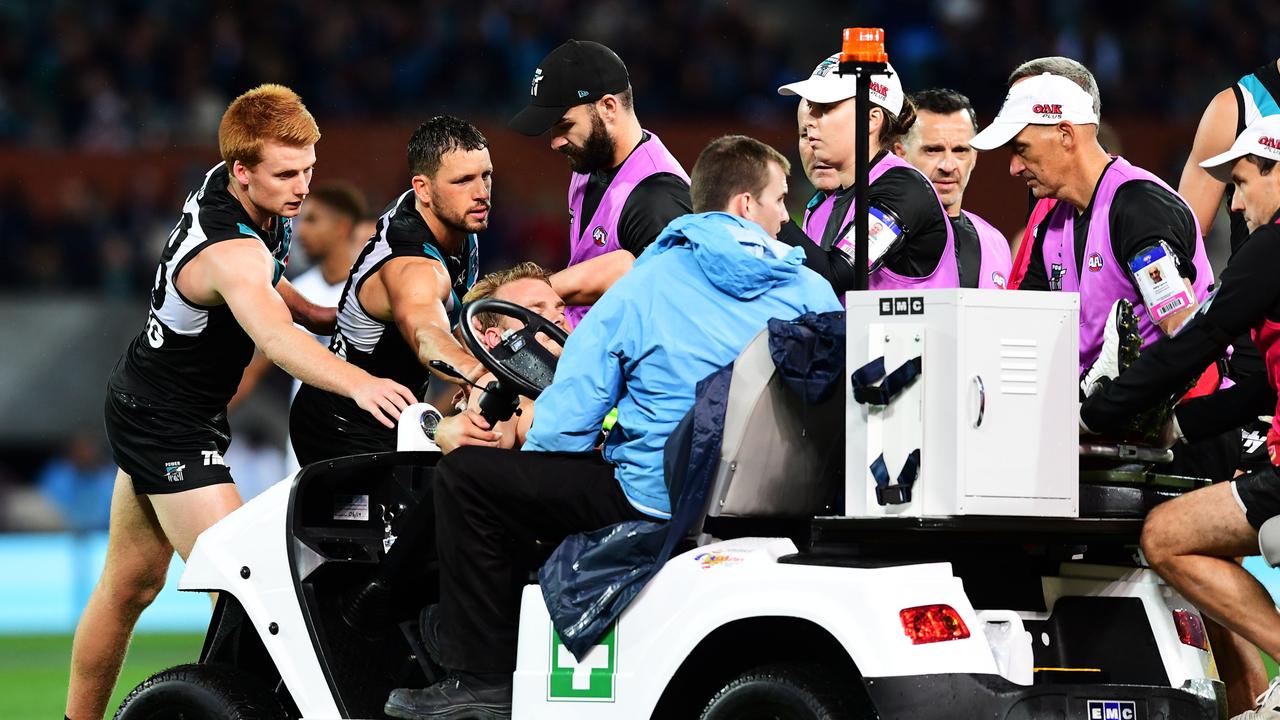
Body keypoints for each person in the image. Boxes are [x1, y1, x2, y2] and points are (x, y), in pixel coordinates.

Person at [382, 135, 840, 719]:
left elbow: (567, 425)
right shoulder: (813, 290)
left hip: (661, 499)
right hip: (780, 498)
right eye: (781, 200)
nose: (787, 216)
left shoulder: (646, 285)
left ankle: (482, 679)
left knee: (469, 480)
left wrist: (536, 444)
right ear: (746, 205)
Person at [66, 85, 416, 720]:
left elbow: (270, 275)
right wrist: (358, 381)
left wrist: (311, 307)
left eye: (310, 168)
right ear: (242, 171)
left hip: (159, 405)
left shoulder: (245, 194)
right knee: (250, 595)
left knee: (129, 588)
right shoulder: (228, 250)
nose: (302, 186)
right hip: (167, 426)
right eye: (286, 173)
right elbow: (274, 337)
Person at [1079, 114, 1280, 720]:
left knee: (1167, 536)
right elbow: (1254, 390)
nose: (1236, 206)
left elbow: (1198, 337)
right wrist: (1180, 427)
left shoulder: (1273, 246)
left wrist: (1097, 414)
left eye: (1243, 183)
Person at [971, 60, 1212, 373]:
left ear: (1066, 134)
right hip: (1094, 413)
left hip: (1169, 415)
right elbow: (1024, 333)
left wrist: (1107, 406)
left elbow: (1184, 337)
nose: (1014, 168)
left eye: (1022, 149)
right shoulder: (1052, 222)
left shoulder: (1138, 207)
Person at [290, 116, 491, 466]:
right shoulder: (411, 267)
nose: (481, 193)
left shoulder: (454, 219)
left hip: (393, 416)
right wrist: (480, 375)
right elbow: (427, 336)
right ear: (423, 189)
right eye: (463, 181)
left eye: (485, 176)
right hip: (342, 427)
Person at [509, 39, 691, 326]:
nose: (555, 142)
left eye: (565, 124)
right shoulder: (590, 159)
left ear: (608, 107)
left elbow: (671, 321)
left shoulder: (656, 199)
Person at [776, 53, 960, 292]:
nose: (810, 119)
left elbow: (836, 277)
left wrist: (773, 210)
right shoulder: (821, 204)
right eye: (811, 107)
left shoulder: (905, 188)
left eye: (826, 107)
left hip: (913, 331)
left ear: (871, 120)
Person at [230, 182, 368, 470]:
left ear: (342, 227)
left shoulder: (371, 294)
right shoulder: (298, 291)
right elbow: (255, 368)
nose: (301, 231)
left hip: (361, 439)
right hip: (304, 443)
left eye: (312, 220)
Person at [432, 261, 570, 454]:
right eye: (536, 313)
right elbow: (491, 439)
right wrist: (451, 430)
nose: (558, 318)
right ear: (496, 338)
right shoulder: (500, 382)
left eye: (561, 311)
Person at [895, 88, 1012, 289]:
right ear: (900, 153)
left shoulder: (996, 243)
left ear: (974, 157)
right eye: (933, 150)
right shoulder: (878, 235)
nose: (948, 166)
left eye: (960, 150)